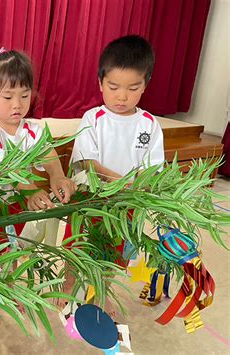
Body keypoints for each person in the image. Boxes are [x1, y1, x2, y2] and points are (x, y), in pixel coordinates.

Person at [0, 47, 76, 327]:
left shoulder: (33, 128)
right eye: (8, 97)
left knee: (13, 251)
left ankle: (8, 285)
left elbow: (46, 153)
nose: (18, 105)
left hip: (15, 207)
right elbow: (3, 168)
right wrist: (29, 190)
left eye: (24, 96)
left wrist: (57, 176)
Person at [62, 35, 165, 314]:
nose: (122, 96)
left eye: (133, 88)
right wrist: (120, 181)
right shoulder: (93, 118)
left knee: (114, 252)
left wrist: (138, 186)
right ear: (100, 83)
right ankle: (68, 283)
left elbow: (154, 168)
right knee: (78, 243)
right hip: (91, 199)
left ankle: (102, 291)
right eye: (113, 87)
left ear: (146, 84)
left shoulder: (149, 124)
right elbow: (86, 162)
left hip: (126, 206)